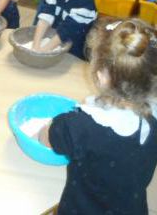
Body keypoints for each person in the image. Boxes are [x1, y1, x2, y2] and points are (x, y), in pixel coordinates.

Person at [38, 18, 157, 214]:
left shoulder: (80, 125)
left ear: (101, 76)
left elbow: (47, 137)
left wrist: (55, 122)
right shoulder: (152, 121)